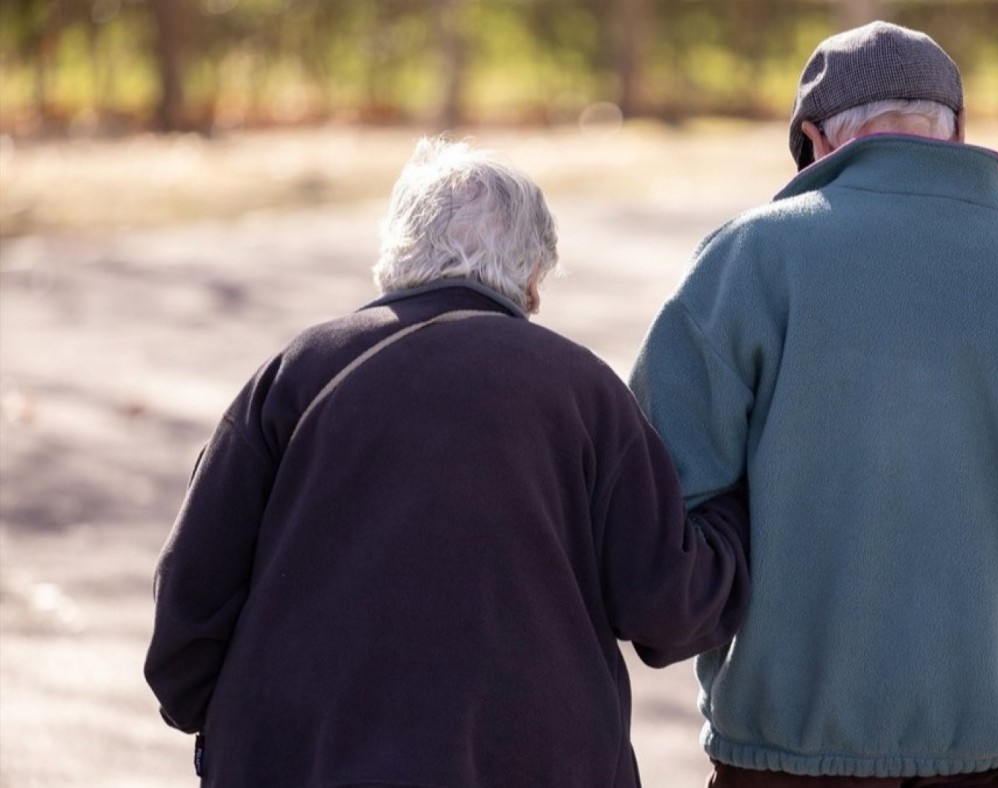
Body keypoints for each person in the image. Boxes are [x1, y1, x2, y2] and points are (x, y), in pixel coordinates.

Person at [628, 21, 998, 788]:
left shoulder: (746, 263)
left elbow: (654, 514)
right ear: (955, 135)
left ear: (816, 142)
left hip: (782, 758)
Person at [144, 138, 750, 787]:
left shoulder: (299, 372)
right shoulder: (583, 390)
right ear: (532, 276)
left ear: (398, 252)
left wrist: (242, 731)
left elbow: (191, 601)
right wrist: (738, 518)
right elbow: (668, 604)